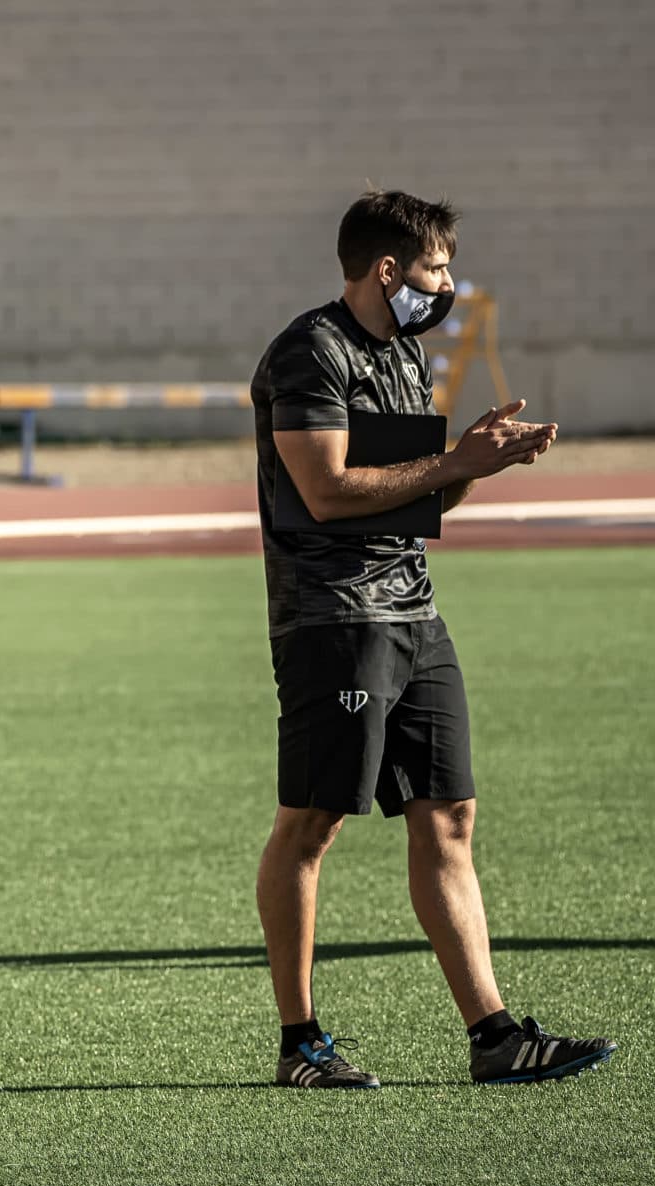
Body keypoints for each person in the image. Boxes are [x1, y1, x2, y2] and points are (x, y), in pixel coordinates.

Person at [250, 188, 617, 1089]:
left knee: (450, 815)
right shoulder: (310, 352)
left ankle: (494, 1035)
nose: (447, 284)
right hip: (335, 619)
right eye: (435, 267)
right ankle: (301, 1043)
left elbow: (418, 491)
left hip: (415, 612)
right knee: (313, 822)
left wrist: (478, 462)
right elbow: (326, 489)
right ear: (388, 270)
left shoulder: (407, 354)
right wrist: (453, 461)